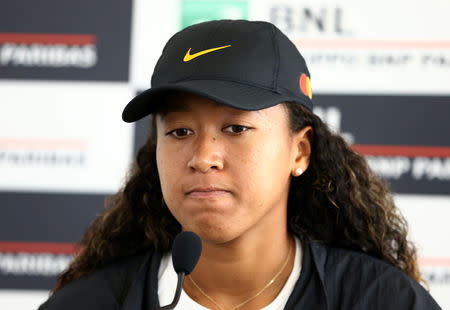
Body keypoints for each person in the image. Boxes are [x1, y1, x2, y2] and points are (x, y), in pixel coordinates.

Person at [38, 19, 441, 310]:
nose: (203, 157)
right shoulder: (87, 303)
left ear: (299, 152)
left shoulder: (383, 300)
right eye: (179, 132)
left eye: (235, 127)